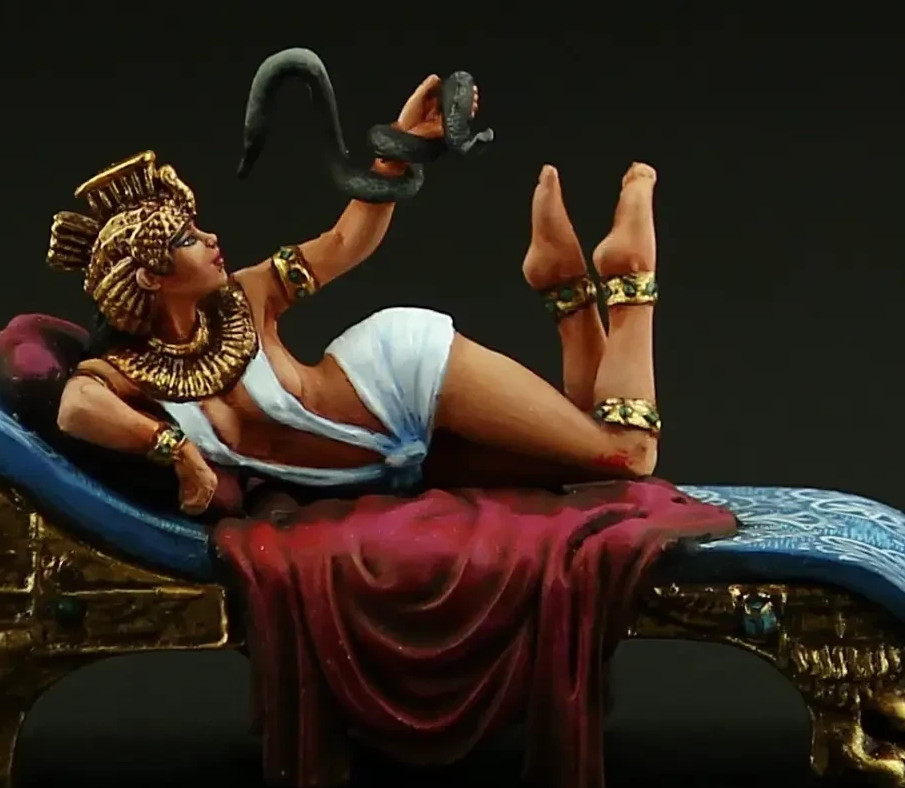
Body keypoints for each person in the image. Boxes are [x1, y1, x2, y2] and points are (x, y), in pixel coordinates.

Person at [49, 75, 660, 517]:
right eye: (186, 238)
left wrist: (399, 147)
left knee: (628, 455)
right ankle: (564, 287)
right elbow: (75, 406)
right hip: (402, 463)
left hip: (405, 380)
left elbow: (344, 242)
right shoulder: (130, 371)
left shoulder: (246, 295)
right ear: (150, 277)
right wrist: (176, 450)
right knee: (591, 470)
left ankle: (630, 273)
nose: (210, 238)